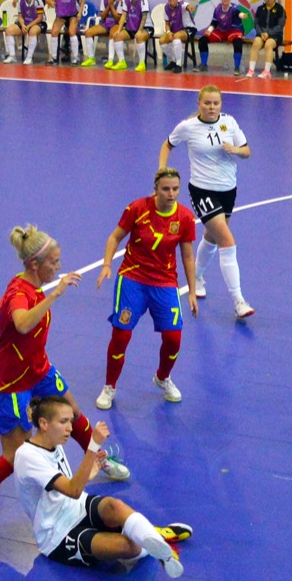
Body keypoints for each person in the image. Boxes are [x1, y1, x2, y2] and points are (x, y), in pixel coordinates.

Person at [0, 225, 130, 538]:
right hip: (11, 384)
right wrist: (56, 292)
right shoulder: (18, 293)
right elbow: (23, 324)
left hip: (38, 370)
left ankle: (98, 459)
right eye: (54, 262)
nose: (59, 266)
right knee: (14, 459)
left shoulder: (36, 286)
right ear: (34, 265)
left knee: (73, 411)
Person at [13, 395, 188, 575]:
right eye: (63, 421)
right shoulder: (28, 457)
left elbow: (65, 487)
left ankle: (154, 540)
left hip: (76, 506)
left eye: (71, 422)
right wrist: (93, 445)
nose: (70, 428)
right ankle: (154, 539)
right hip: (56, 534)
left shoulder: (53, 442)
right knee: (127, 547)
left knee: (115, 506)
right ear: (44, 423)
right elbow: (72, 490)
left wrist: (89, 474)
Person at [94, 168, 199, 409]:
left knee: (173, 338)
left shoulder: (184, 217)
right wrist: (107, 265)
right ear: (156, 189)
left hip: (165, 283)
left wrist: (192, 290)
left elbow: (188, 256)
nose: (171, 194)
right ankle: (109, 386)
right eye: (166, 189)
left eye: (175, 189)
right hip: (133, 278)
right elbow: (114, 237)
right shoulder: (137, 209)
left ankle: (162, 378)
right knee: (121, 335)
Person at [158, 85, 255, 318]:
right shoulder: (188, 127)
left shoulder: (229, 122)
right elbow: (167, 144)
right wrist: (162, 171)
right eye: (207, 103)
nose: (212, 107)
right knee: (227, 241)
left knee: (212, 237)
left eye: (216, 103)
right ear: (199, 103)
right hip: (202, 190)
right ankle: (238, 300)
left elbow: (247, 151)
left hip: (228, 189)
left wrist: (235, 150)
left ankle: (197, 277)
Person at [46, 0, 83, 65]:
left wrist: (80, 12)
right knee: (54, 32)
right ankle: (53, 58)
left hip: (72, 13)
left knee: (72, 32)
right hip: (61, 14)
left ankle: (75, 58)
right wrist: (51, 2)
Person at [199, 0, 245, 73]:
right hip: (221, 31)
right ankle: (203, 64)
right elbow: (214, 22)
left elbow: (238, 13)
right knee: (202, 40)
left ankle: (237, 67)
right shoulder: (218, 9)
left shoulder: (234, 7)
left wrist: (242, 15)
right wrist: (209, 31)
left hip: (233, 31)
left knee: (238, 42)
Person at [108, 0, 150, 71]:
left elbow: (144, 16)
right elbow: (123, 16)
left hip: (145, 27)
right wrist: (119, 29)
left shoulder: (143, 0)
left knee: (139, 37)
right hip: (131, 27)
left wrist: (139, 30)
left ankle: (142, 63)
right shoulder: (126, 1)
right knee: (117, 36)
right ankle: (122, 62)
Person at [245, 0, 286, 78]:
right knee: (256, 42)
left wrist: (269, 34)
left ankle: (267, 71)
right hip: (261, 34)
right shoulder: (260, 9)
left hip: (275, 35)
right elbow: (256, 24)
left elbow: (280, 26)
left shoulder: (280, 9)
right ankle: (251, 70)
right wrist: (262, 33)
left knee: (268, 44)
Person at [154, 0, 195, 72]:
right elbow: (167, 23)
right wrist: (168, 32)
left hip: (188, 29)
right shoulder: (166, 8)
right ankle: (173, 60)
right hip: (174, 30)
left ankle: (179, 64)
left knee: (176, 38)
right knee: (162, 41)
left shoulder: (182, 4)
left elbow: (187, 6)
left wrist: (190, 7)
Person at [4, 0, 46, 64]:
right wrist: (23, 25)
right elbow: (20, 16)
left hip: (38, 23)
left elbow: (40, 17)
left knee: (32, 31)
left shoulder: (38, 1)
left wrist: (28, 26)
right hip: (25, 22)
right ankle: (12, 56)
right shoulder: (21, 1)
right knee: (8, 31)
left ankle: (29, 57)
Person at [84, 0, 121, 67]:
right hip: (106, 24)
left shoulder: (120, 1)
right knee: (88, 32)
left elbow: (118, 18)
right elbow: (103, 16)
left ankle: (110, 60)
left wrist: (112, 5)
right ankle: (91, 58)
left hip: (116, 24)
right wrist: (108, 5)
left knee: (112, 34)